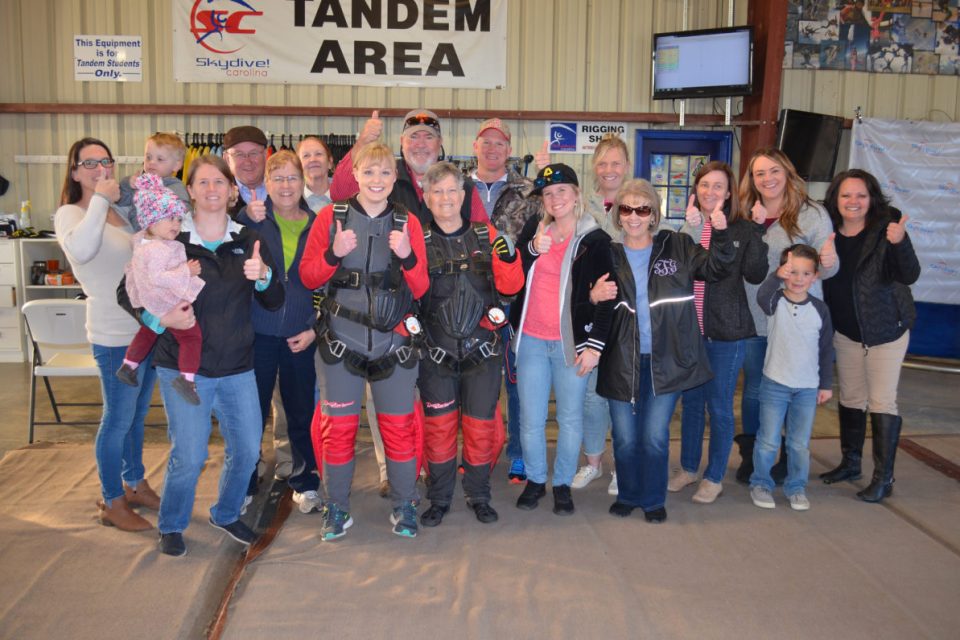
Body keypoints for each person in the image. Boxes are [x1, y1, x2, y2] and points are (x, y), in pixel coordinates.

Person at [120, 154, 284, 557]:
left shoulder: (249, 238)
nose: (213, 189)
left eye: (220, 182)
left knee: (247, 450)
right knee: (189, 456)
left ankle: (226, 512)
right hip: (182, 367)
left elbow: (275, 298)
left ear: (232, 191)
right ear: (189, 190)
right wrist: (160, 321)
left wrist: (262, 276)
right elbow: (126, 293)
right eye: (204, 182)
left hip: (237, 367)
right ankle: (172, 523)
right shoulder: (169, 239)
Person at [300, 142, 429, 540]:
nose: (377, 180)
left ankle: (405, 504)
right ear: (354, 174)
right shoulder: (330, 217)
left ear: (395, 178)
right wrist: (333, 255)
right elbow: (308, 277)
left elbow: (422, 286)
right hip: (342, 341)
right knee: (336, 430)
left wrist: (407, 256)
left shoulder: (408, 223)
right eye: (369, 172)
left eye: (385, 173)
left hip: (392, 343)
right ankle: (336, 507)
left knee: (399, 428)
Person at [597, 179, 735, 524]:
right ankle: (629, 494)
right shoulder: (607, 254)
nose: (633, 216)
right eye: (626, 208)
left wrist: (719, 233)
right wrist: (591, 295)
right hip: (620, 360)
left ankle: (653, 498)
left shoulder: (678, 246)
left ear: (654, 215)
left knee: (654, 436)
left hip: (667, 360)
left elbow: (716, 269)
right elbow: (586, 303)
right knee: (626, 438)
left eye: (642, 209)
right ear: (618, 215)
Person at [55, 137, 160, 533]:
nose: (101, 168)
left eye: (107, 161)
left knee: (135, 417)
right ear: (75, 171)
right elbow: (81, 252)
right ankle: (112, 500)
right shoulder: (72, 213)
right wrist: (100, 198)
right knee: (117, 419)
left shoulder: (118, 211)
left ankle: (134, 483)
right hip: (114, 334)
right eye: (90, 163)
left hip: (145, 328)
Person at [417, 162, 524, 527]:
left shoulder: (485, 234)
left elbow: (510, 287)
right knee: (439, 431)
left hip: (483, 353)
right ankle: (440, 498)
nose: (445, 198)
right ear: (427, 198)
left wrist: (509, 256)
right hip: (435, 355)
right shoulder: (417, 240)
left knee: (480, 429)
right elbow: (407, 293)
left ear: (463, 196)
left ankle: (479, 495)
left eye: (452, 191)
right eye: (438, 192)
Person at [511, 163, 614, 516]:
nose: (555, 198)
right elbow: (510, 278)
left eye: (561, 191)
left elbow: (607, 296)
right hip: (532, 341)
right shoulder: (533, 231)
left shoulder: (595, 241)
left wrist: (594, 346)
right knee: (531, 418)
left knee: (570, 418)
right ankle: (537, 479)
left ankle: (561, 483)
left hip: (571, 344)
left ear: (576, 195)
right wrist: (530, 252)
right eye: (548, 193)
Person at [737, 148, 839, 484]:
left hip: (796, 322)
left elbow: (829, 269)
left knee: (795, 388)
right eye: (759, 173)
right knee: (756, 391)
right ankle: (755, 455)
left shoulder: (812, 215)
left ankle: (788, 455)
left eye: (774, 171)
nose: (767, 179)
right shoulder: (743, 213)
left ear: (788, 173)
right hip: (754, 315)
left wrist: (829, 259)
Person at [537, 134, 631, 495]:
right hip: (590, 312)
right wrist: (588, 296)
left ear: (626, 166)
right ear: (594, 168)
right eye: (603, 163)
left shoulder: (638, 200)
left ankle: (621, 466)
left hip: (626, 316)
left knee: (621, 395)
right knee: (591, 394)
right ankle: (593, 461)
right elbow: (553, 243)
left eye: (616, 163)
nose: (609, 169)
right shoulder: (580, 205)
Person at [670, 162, 768, 504]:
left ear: (729, 193)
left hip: (728, 334)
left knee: (720, 407)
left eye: (718, 187)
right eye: (704, 185)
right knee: (692, 404)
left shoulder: (740, 229)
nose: (710, 192)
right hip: (692, 333)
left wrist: (755, 230)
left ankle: (714, 477)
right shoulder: (691, 226)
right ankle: (689, 467)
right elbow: (681, 272)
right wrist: (692, 230)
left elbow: (755, 273)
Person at [821, 169, 920, 503]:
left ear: (872, 198)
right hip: (846, 333)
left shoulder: (886, 230)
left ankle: (883, 477)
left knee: (881, 400)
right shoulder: (828, 233)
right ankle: (851, 463)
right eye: (846, 195)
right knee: (850, 398)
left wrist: (900, 243)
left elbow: (909, 274)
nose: (853, 202)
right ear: (836, 199)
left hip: (885, 330)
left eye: (861, 195)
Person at [237, 150, 322, 514]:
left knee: (301, 412)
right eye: (278, 179)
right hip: (257, 334)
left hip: (299, 335)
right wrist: (242, 216)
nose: (286, 186)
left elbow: (330, 283)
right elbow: (229, 259)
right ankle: (243, 481)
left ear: (304, 183)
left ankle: (305, 480)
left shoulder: (320, 224)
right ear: (265, 184)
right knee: (250, 413)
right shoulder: (251, 221)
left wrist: (315, 329)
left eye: (293, 178)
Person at [471, 117, 539, 483]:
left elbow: (545, 243)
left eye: (500, 143)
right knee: (476, 381)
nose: (493, 148)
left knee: (515, 380)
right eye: (486, 141)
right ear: (475, 146)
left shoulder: (530, 192)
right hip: (467, 300)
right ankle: (477, 452)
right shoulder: (457, 187)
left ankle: (518, 454)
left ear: (509, 150)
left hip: (514, 299)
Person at [750, 245, 834, 511]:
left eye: (805, 273)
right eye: (792, 271)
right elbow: (761, 294)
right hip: (775, 383)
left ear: (815, 276)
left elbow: (825, 349)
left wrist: (826, 385)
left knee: (799, 443)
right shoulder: (775, 301)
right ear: (784, 272)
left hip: (807, 388)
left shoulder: (820, 310)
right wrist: (776, 275)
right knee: (768, 440)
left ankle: (796, 487)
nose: (798, 278)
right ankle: (760, 483)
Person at [116, 174, 205, 406]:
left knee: (147, 332)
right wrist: (186, 271)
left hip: (151, 302)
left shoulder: (142, 243)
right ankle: (187, 379)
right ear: (152, 222)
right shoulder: (158, 248)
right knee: (191, 337)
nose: (176, 225)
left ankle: (129, 365)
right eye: (170, 220)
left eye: (178, 219)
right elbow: (159, 277)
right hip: (167, 301)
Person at [330, 109, 488, 226]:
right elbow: (339, 194)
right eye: (413, 136)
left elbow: (485, 236)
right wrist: (362, 142)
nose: (420, 144)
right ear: (401, 141)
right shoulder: (383, 178)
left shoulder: (463, 186)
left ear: (440, 142)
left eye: (428, 137)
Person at [115, 132, 191, 231]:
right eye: (148, 157)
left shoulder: (175, 187)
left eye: (160, 159)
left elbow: (183, 212)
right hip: (137, 237)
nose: (152, 162)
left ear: (177, 165)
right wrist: (128, 183)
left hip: (162, 239)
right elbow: (121, 201)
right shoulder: (140, 182)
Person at [223, 125, 268, 218]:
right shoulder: (218, 196)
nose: (248, 161)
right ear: (227, 159)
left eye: (254, 153)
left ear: (265, 155)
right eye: (239, 154)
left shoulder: (284, 190)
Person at [297, 135, 333, 213]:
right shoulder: (292, 200)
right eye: (306, 155)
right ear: (298, 166)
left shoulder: (346, 195)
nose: (313, 159)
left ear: (330, 162)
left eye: (318, 154)